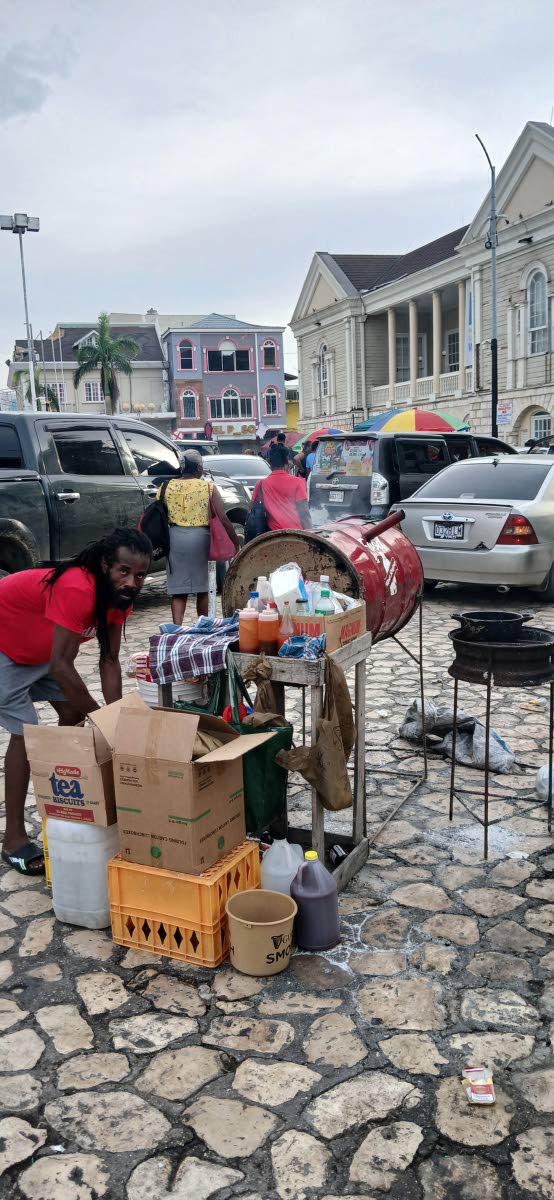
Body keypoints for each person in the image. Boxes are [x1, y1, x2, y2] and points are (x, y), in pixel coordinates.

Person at [0, 528, 152, 875]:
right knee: (26, 732)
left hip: (40, 651)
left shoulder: (118, 600)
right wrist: (103, 720)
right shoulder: (77, 588)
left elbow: (110, 661)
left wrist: (115, 720)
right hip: (5, 644)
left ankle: (57, 793)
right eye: (123, 571)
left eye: (140, 575)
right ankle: (13, 839)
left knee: (71, 711)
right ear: (104, 565)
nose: (131, 581)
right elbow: (61, 665)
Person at [160, 449, 239, 626]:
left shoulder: (166, 487)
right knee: (202, 589)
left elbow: (162, 514)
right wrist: (235, 542)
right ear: (198, 469)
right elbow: (223, 518)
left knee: (178, 591)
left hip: (175, 539)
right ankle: (202, 626)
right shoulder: (208, 487)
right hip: (201, 539)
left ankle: (176, 628)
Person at [252, 442, 312, 531]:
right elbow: (304, 512)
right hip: (296, 534)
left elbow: (253, 509)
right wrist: (311, 533)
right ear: (286, 462)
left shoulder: (261, 484)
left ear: (269, 462)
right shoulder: (297, 482)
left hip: (272, 535)